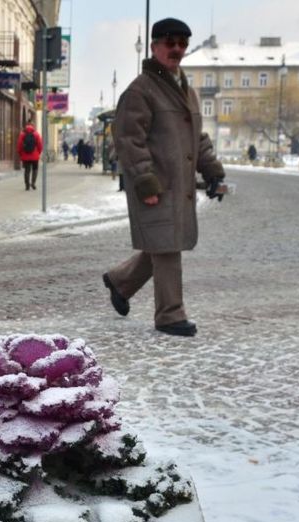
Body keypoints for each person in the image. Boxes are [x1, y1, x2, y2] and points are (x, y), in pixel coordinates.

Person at [102, 17, 226, 338]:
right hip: (155, 185)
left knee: (163, 243)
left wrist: (213, 173)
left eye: (182, 44)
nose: (176, 49)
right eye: (169, 43)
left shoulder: (187, 91)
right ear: (154, 45)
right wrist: (145, 181)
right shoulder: (140, 90)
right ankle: (170, 314)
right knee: (167, 246)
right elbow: (128, 139)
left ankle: (120, 282)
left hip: (178, 186)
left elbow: (198, 139)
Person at [18, 121, 43, 190]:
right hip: (35, 156)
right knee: (35, 170)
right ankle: (33, 183)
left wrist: (21, 154)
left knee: (27, 170)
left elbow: (19, 146)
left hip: (25, 156)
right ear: (33, 126)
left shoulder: (22, 134)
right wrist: (38, 153)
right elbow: (40, 145)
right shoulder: (36, 134)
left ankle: (27, 185)